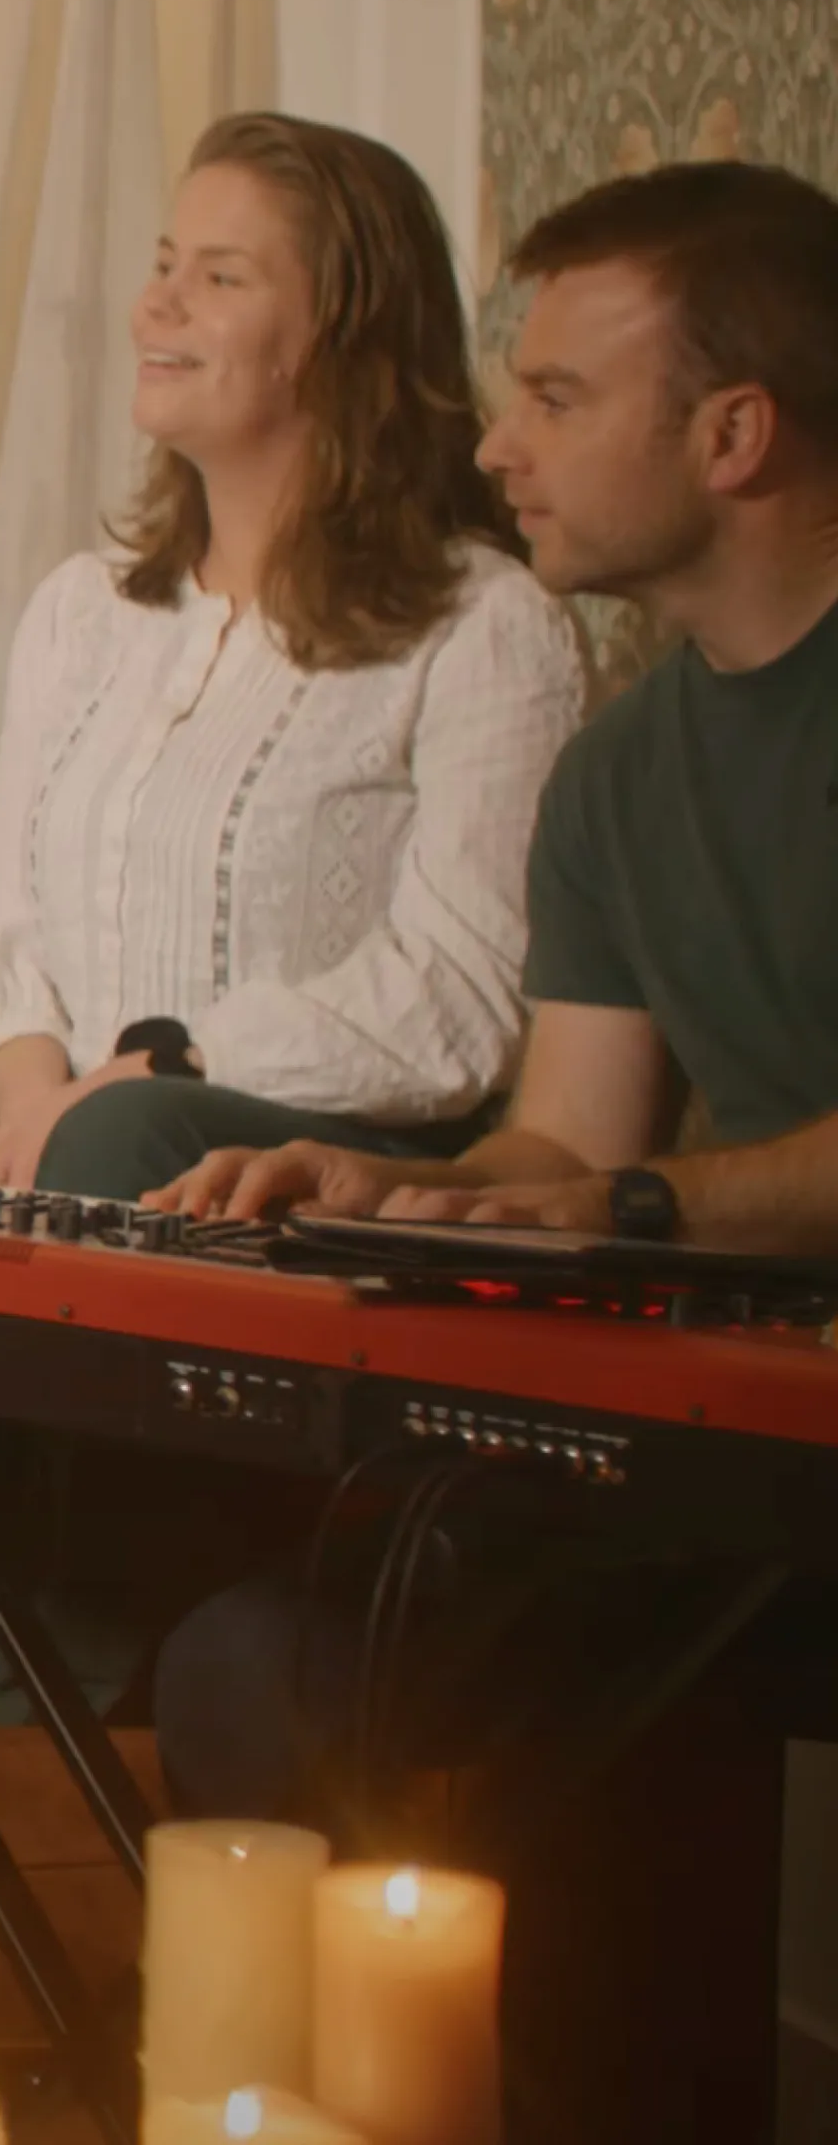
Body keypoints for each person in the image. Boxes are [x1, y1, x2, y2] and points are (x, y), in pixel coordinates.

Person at [0, 112, 588, 1726]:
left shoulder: (488, 625)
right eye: (161, 264)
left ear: (340, 331)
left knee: (128, 1151)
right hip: (69, 1127)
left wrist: (148, 1073)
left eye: (221, 275)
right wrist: (33, 1087)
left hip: (308, 1164)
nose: (160, 305)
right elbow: (0, 931)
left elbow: (458, 998)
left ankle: (84, 1678)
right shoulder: (84, 613)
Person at [153, 159, 838, 1815]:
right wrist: (399, 1189)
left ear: (734, 436)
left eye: (557, 398)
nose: (494, 448)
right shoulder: (616, 777)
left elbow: (621, 1187)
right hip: (762, 1445)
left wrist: (640, 1206)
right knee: (261, 1668)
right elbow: (569, 1146)